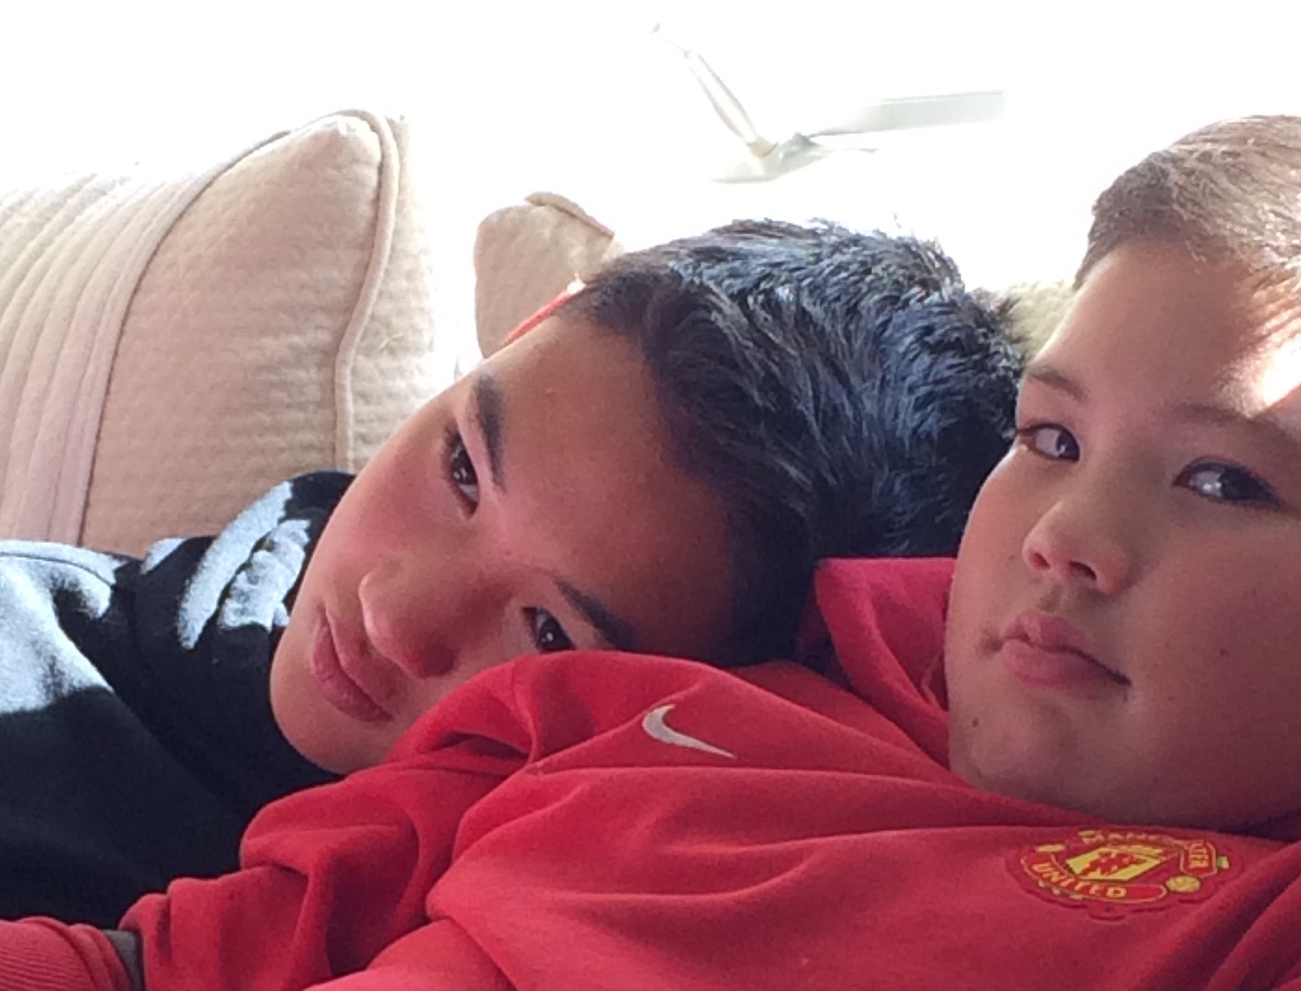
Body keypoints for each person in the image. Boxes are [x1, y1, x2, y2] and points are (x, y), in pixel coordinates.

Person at [0, 112, 1301, 991]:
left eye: (1223, 479)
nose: (1068, 533)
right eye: (1048, 438)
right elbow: (160, 961)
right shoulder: (671, 702)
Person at [0, 218, 1021, 926]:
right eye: (461, 468)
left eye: (548, 631)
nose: (396, 616)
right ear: (530, 324)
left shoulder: (556, 978)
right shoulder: (24, 651)